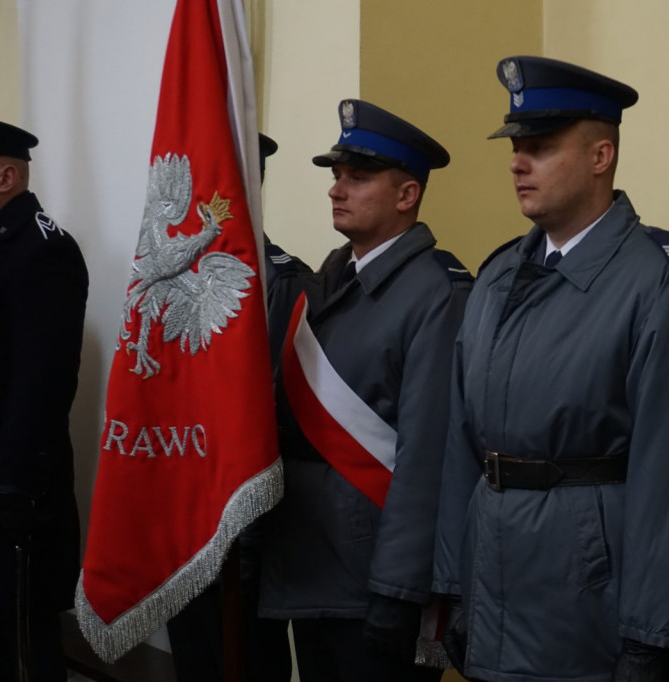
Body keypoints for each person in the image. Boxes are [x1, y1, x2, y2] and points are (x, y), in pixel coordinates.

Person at [432, 56, 669, 681]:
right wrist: (452, 587)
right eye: (516, 147)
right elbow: (463, 449)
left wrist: (651, 640)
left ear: (601, 156)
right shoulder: (496, 277)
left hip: (590, 615)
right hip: (495, 594)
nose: (518, 162)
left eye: (541, 147)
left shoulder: (663, 283)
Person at [258, 100, 472, 682]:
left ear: (407, 195)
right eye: (335, 175)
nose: (336, 189)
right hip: (308, 560)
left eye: (358, 177)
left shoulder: (437, 293)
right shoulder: (329, 279)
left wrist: (400, 588)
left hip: (371, 574)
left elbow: (429, 456)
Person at [166, 133, 293, 682]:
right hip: (181, 519)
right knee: (193, 659)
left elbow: (277, 415)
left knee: (245, 662)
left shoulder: (282, 282)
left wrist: (252, 537)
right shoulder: (171, 278)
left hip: (241, 526)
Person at [0, 120, 88, 681]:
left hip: (14, 487)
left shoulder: (40, 250)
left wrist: (10, 482)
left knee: (20, 638)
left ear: (6, 176)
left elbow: (43, 381)